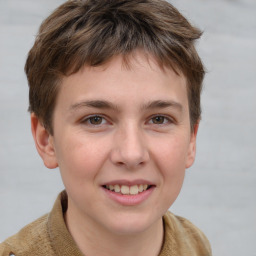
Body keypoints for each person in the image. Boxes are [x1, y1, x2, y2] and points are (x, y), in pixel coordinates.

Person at [0, 0, 212, 255]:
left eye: (158, 119)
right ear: (46, 140)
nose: (132, 154)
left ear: (191, 139)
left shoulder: (195, 245)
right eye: (95, 119)